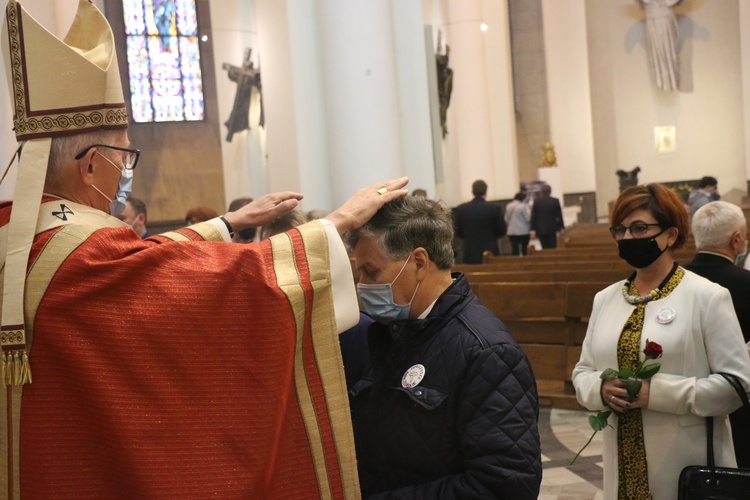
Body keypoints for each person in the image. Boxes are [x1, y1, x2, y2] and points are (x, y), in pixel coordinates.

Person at [0, 1, 409, 496]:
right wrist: (334, 225)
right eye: (123, 154)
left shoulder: (21, 235)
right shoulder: (84, 252)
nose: (127, 170)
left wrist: (227, 223)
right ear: (89, 168)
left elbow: (143, 263)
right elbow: (173, 283)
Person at [345, 196, 542, 498]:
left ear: (419, 263)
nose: (362, 285)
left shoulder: (486, 351)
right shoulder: (391, 332)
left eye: (371, 272)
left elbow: (503, 485)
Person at [572, 183, 750, 499]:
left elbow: (737, 385)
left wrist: (657, 393)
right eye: (621, 229)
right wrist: (599, 390)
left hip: (683, 463)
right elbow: (583, 372)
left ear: (670, 234)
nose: (628, 238)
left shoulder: (707, 297)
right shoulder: (605, 299)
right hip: (621, 464)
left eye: (639, 228)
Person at [685, 201, 750, 467]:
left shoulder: (673, 282)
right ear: (736, 240)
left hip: (683, 404)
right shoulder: (746, 284)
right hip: (740, 406)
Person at [453, 179, 507, 263]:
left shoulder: (462, 209)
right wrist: (491, 236)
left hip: (470, 251)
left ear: (472, 191)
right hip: (490, 250)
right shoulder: (494, 208)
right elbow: (502, 230)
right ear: (485, 191)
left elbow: (457, 231)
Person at [635, 0, 682, 91]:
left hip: (666, 21)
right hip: (653, 22)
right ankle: (664, 82)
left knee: (670, 53)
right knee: (658, 54)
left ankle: (671, 81)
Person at [530, 184, 564, 249]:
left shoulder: (537, 201)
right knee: (552, 246)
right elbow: (559, 215)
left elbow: (534, 215)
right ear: (550, 191)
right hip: (552, 227)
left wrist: (532, 228)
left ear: (541, 192)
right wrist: (561, 227)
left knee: (544, 246)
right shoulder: (555, 201)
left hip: (540, 228)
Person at [504, 192, 531, 256]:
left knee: (514, 250)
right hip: (523, 231)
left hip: (511, 232)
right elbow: (527, 219)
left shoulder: (508, 205)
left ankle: (516, 262)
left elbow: (506, 219)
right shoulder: (522, 206)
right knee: (524, 250)